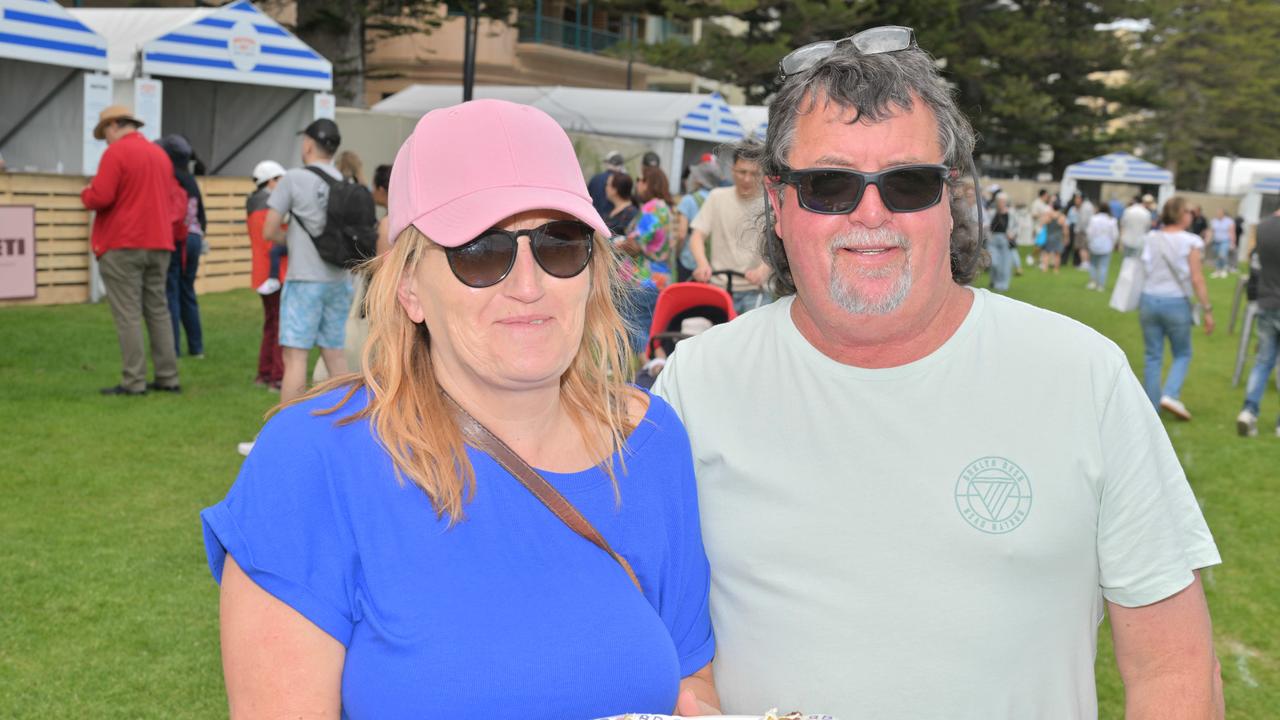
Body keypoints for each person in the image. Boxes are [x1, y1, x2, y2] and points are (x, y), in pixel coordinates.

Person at [653, 27, 1221, 719]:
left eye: (907, 183)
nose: (871, 214)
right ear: (776, 202)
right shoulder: (697, 383)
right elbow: (661, 637)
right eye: (829, 185)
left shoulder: (1082, 376)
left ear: (949, 197)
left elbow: (1175, 668)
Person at [202, 98, 718, 719]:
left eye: (560, 244)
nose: (528, 286)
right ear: (411, 286)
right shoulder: (314, 463)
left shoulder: (651, 442)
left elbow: (691, 683)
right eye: (481, 251)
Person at [81, 105, 181, 395]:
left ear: (113, 125)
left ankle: (134, 381)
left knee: (128, 314)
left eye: (105, 134)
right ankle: (168, 376)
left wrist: (86, 192)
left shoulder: (116, 153)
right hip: (159, 242)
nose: (106, 140)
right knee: (158, 311)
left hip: (123, 243)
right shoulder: (159, 155)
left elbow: (101, 196)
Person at [262, 118, 354, 404]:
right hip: (339, 280)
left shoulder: (292, 179)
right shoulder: (343, 181)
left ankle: (288, 433)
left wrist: (290, 241)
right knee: (334, 354)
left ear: (308, 144)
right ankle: (347, 421)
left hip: (304, 279)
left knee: (296, 357)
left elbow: (269, 229)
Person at [1139, 196, 1215, 419]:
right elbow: (1197, 278)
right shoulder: (1190, 241)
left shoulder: (1151, 237)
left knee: (1153, 355)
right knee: (1182, 353)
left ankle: (1151, 407)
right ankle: (1170, 394)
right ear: (1182, 214)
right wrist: (1207, 309)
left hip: (1149, 299)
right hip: (1175, 302)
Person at [688, 146, 771, 314]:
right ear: (732, 170)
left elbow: (777, 243)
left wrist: (763, 269)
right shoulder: (716, 197)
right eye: (742, 172)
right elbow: (697, 235)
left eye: (754, 173)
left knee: (753, 338)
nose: (747, 179)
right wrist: (702, 263)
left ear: (762, 174)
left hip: (756, 289)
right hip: (719, 286)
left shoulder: (770, 202)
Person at [157, 134, 207, 359]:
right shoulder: (191, 180)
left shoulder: (171, 179)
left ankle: (173, 349)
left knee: (172, 292)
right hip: (195, 238)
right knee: (188, 292)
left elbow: (173, 216)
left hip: (179, 239)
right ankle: (196, 349)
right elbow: (202, 216)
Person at [616, 165, 674, 354]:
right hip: (659, 277)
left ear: (650, 183)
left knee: (636, 330)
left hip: (641, 279)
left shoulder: (651, 209)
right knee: (651, 330)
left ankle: (641, 372)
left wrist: (616, 245)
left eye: (641, 179)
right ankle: (654, 369)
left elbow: (637, 243)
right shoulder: (665, 209)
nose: (638, 184)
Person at [1235, 207, 1280, 437]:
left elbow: (1256, 263)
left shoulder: (1262, 228)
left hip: (1266, 301)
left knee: (1263, 361)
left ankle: (1248, 411)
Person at [246, 160, 288, 390]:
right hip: (277, 275)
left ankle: (264, 373)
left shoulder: (253, 205)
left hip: (260, 274)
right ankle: (277, 377)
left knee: (271, 324)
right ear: (271, 181)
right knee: (280, 326)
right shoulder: (272, 208)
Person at [674, 161, 722, 282]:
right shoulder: (719, 199)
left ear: (699, 180)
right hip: (713, 261)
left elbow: (681, 234)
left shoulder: (688, 200)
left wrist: (676, 254)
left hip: (688, 259)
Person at [1085, 204, 1119, 292]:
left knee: (1093, 264)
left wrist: (1089, 242)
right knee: (1104, 266)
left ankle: (1092, 282)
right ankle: (1101, 285)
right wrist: (1113, 244)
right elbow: (1115, 234)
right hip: (1107, 245)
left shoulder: (1094, 219)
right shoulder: (1111, 220)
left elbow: (1089, 232)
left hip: (1094, 244)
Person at [986, 192, 1013, 292]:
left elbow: (1015, 226)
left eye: (1003, 201)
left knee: (1005, 264)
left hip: (1005, 240)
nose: (1001, 203)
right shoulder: (991, 212)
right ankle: (994, 280)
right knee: (994, 262)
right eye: (999, 201)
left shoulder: (1011, 213)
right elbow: (986, 224)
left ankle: (1002, 284)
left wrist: (1012, 234)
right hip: (993, 240)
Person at [588, 150, 625, 218]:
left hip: (593, 220)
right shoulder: (623, 182)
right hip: (613, 223)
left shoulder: (595, 179)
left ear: (607, 163)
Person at [603, 171, 638, 236]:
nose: (606, 188)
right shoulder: (612, 210)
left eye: (607, 185)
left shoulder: (630, 213)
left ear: (615, 190)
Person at [1039, 197, 1067, 272]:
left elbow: (1042, 224)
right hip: (1058, 237)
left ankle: (1045, 268)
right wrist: (1066, 238)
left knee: (1047, 253)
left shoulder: (1048, 215)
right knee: (1057, 254)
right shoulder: (1062, 216)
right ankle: (1056, 269)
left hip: (1049, 236)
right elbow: (1065, 229)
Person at [1120, 193, 1152, 258]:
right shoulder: (1146, 213)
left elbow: (1123, 224)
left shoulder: (1128, 210)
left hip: (1127, 239)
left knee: (1126, 260)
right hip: (1140, 241)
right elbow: (1147, 228)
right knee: (1136, 262)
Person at [1208, 208, 1236, 278]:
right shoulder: (1214, 221)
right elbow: (1211, 231)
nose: (1218, 214)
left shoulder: (1229, 221)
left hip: (1225, 241)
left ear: (1223, 213)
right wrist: (1207, 240)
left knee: (1222, 255)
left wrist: (1232, 242)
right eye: (1217, 213)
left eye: (1219, 213)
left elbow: (1232, 232)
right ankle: (1217, 270)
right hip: (1216, 241)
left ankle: (1224, 269)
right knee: (1217, 256)